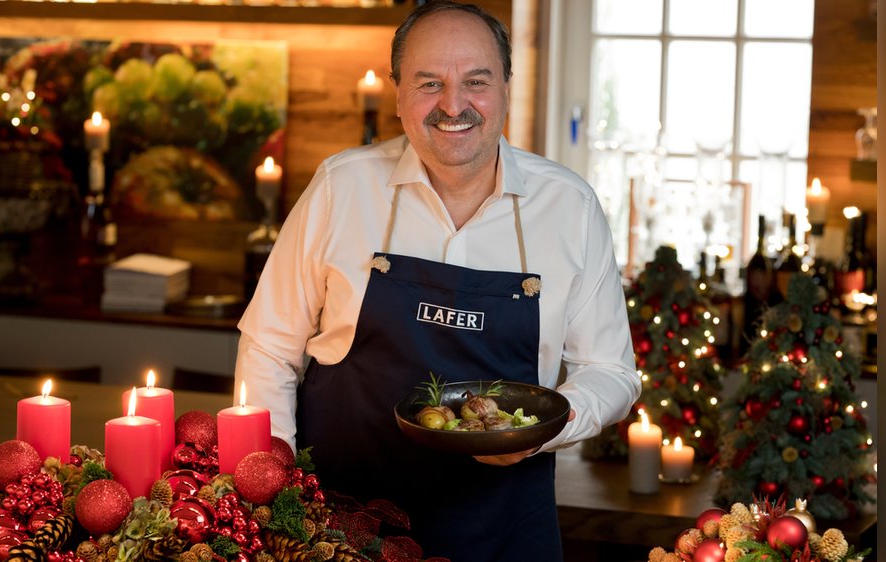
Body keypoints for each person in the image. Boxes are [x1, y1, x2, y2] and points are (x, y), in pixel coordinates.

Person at [234, 1, 640, 560]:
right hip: (339, 530)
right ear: (398, 92)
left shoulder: (568, 207)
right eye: (430, 83)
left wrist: (542, 428)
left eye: (476, 81)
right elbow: (269, 349)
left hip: (504, 531)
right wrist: (276, 493)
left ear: (505, 87)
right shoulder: (341, 188)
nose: (454, 105)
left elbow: (611, 372)